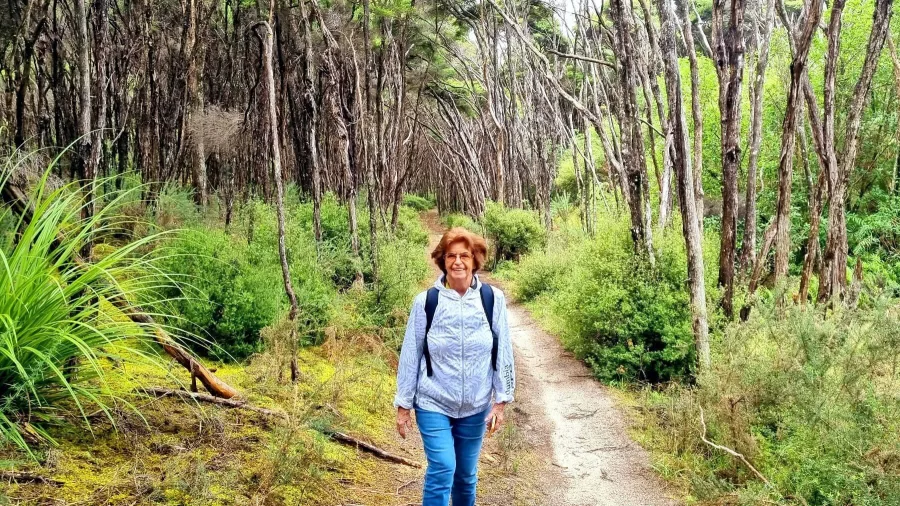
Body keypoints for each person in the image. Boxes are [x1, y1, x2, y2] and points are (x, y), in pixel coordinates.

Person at [393, 227, 516, 506]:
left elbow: (504, 351)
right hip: (433, 402)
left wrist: (502, 400)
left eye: (464, 255)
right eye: (451, 256)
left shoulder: (492, 299)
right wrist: (403, 405)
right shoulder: (426, 302)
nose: (458, 262)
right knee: (443, 468)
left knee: (465, 476)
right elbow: (411, 354)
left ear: (475, 260)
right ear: (443, 260)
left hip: (475, 405)